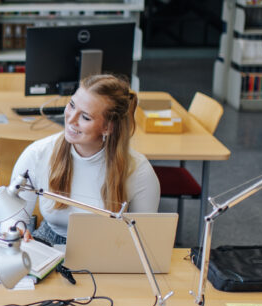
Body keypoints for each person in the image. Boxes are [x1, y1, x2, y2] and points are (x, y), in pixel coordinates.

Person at [9, 73, 160, 245]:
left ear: (108, 128)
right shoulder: (37, 154)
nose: (70, 119)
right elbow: (11, 218)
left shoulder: (139, 172)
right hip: (50, 244)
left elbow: (144, 243)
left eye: (85, 117)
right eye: (72, 105)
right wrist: (15, 230)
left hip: (108, 249)